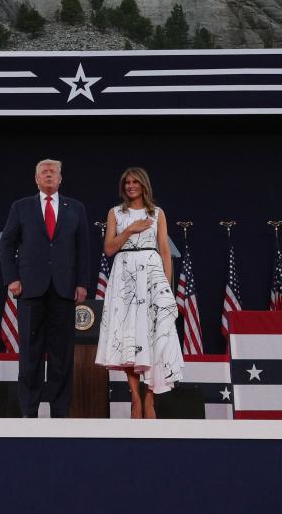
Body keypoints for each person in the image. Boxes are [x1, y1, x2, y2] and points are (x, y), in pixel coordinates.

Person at [0, 158, 91, 417]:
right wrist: (12, 279)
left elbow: (83, 248)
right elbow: (7, 244)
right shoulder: (21, 207)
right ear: (36, 179)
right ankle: (29, 410)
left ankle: (60, 412)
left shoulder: (76, 208)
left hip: (64, 290)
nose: (49, 175)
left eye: (53, 172)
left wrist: (82, 283)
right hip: (30, 290)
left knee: (62, 356)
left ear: (61, 178)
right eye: (44, 172)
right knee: (30, 353)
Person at [95, 167, 184, 418]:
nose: (131, 186)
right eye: (127, 183)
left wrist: (166, 287)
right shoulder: (116, 213)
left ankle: (149, 398)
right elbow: (109, 249)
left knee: (154, 335)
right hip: (124, 276)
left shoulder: (157, 213)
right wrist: (130, 229)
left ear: (144, 185)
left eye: (135, 182)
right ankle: (134, 396)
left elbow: (165, 250)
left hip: (152, 275)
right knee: (129, 336)